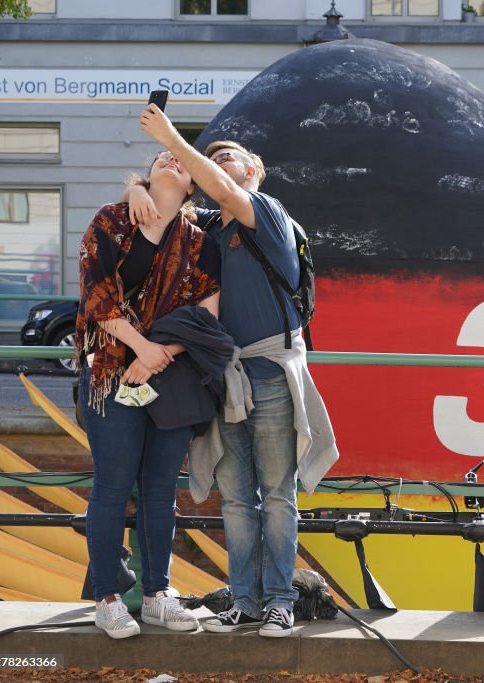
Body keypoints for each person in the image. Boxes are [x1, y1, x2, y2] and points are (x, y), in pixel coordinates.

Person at [136, 105, 339, 638]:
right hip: (225, 374)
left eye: (231, 157)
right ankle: (245, 601)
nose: (220, 160)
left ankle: (279, 601)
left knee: (276, 492)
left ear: (255, 172)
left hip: (268, 372)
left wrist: (172, 138)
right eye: (215, 155)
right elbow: (155, 208)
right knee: (235, 496)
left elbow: (222, 188)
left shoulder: (265, 211)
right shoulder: (204, 230)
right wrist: (136, 189)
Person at [76, 150, 221, 639]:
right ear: (146, 174)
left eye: (181, 160)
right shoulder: (112, 221)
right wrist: (140, 347)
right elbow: (97, 297)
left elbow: (208, 316)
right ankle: (108, 599)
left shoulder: (200, 243)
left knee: (161, 492)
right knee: (113, 488)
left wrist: (160, 352)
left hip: (170, 376)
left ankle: (159, 594)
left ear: (192, 188)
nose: (171, 159)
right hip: (109, 372)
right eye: (162, 155)